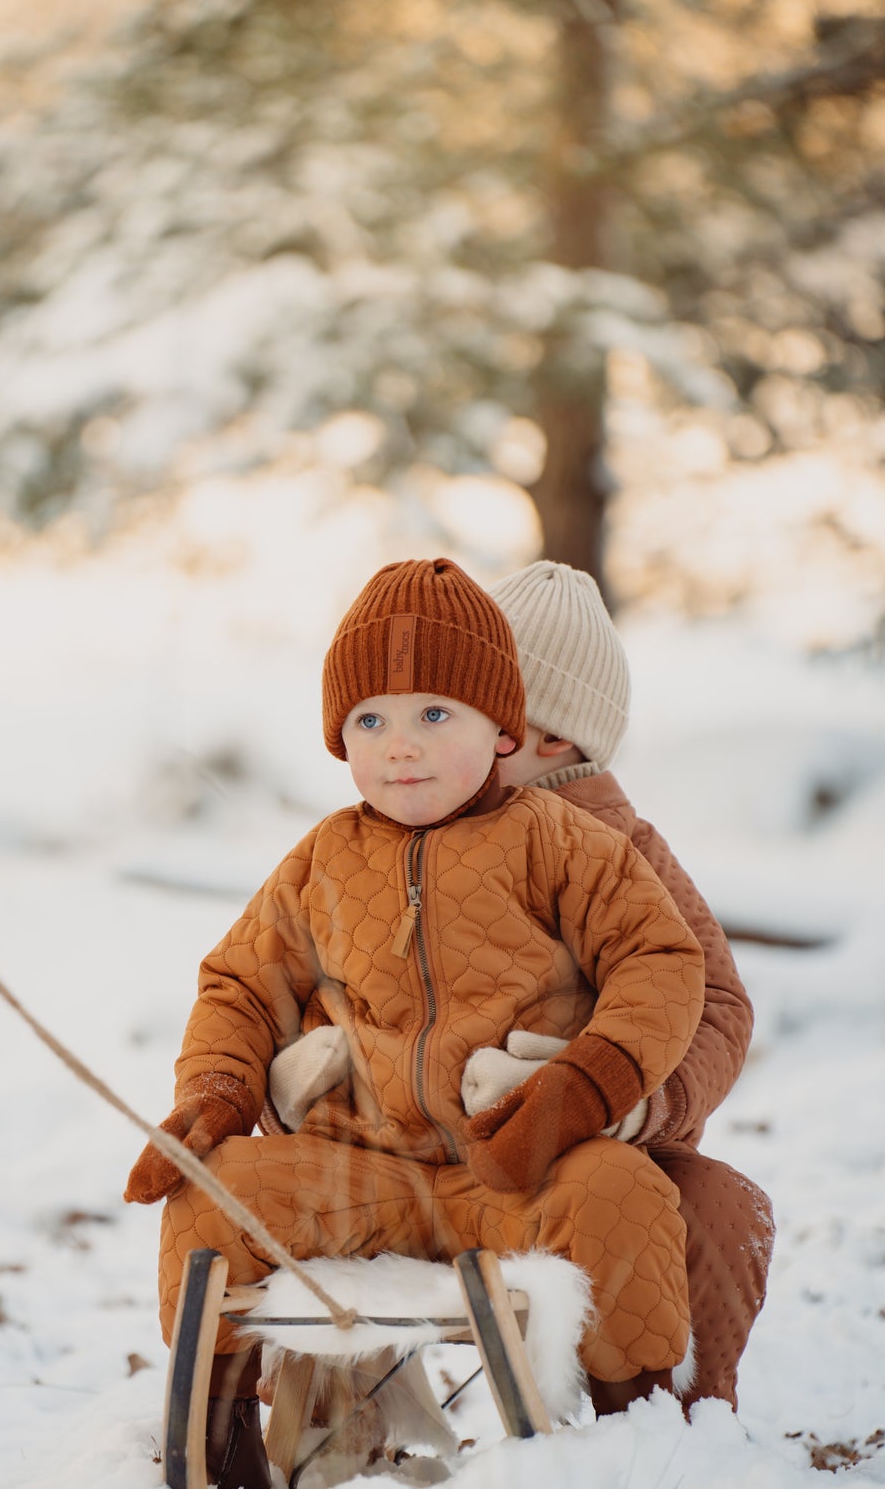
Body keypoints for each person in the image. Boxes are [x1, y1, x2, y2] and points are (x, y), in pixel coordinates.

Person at [125, 557, 706, 1489]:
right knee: (216, 1195)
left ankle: (639, 1434)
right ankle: (224, 1432)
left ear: (501, 725)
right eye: (371, 720)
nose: (402, 746)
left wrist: (587, 1082)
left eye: (434, 714)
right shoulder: (323, 859)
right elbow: (239, 983)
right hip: (364, 1174)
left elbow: (662, 961)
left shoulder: (562, 843)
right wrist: (219, 1090)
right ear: (339, 739)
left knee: (621, 1193)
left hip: (515, 1169)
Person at [271, 558, 774, 1417]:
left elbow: (714, 1000)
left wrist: (627, 1100)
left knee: (715, 1210)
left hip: (581, 1144)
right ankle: (306, 1407)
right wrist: (309, 1065)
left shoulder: (623, 849)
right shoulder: (393, 839)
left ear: (548, 738)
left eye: (469, 710)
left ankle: (678, 1412)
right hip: (404, 1149)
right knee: (281, 1195)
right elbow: (331, 962)